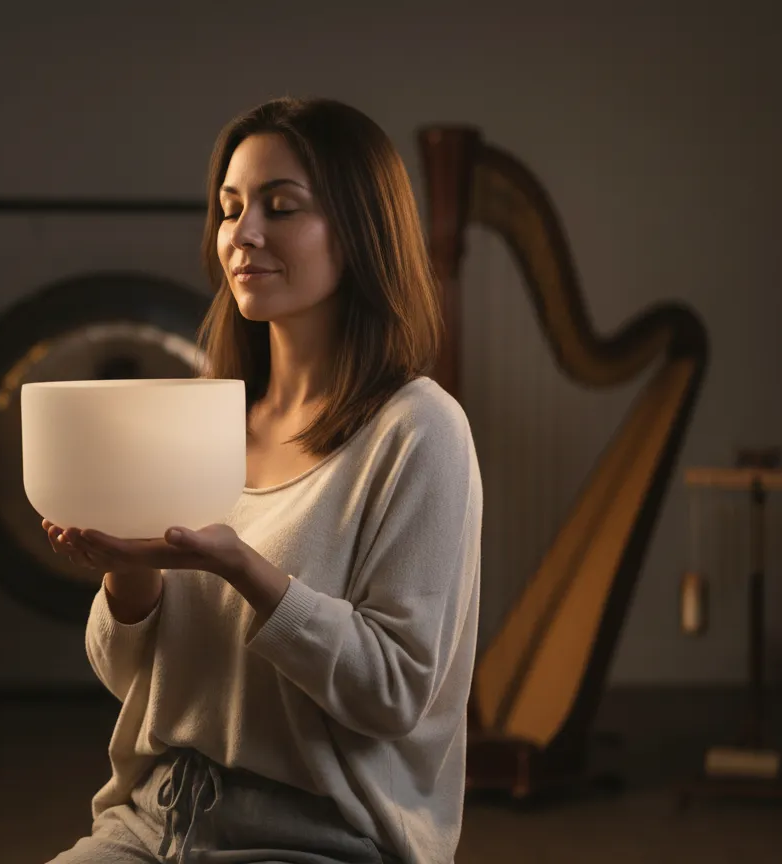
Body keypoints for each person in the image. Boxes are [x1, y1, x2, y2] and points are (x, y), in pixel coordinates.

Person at [42, 96, 482, 864]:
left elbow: (394, 693)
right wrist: (128, 571)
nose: (242, 236)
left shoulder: (418, 431)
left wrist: (243, 569)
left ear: (360, 229)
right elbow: (128, 681)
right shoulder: (203, 415)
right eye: (229, 209)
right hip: (150, 820)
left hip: (316, 838)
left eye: (281, 208)